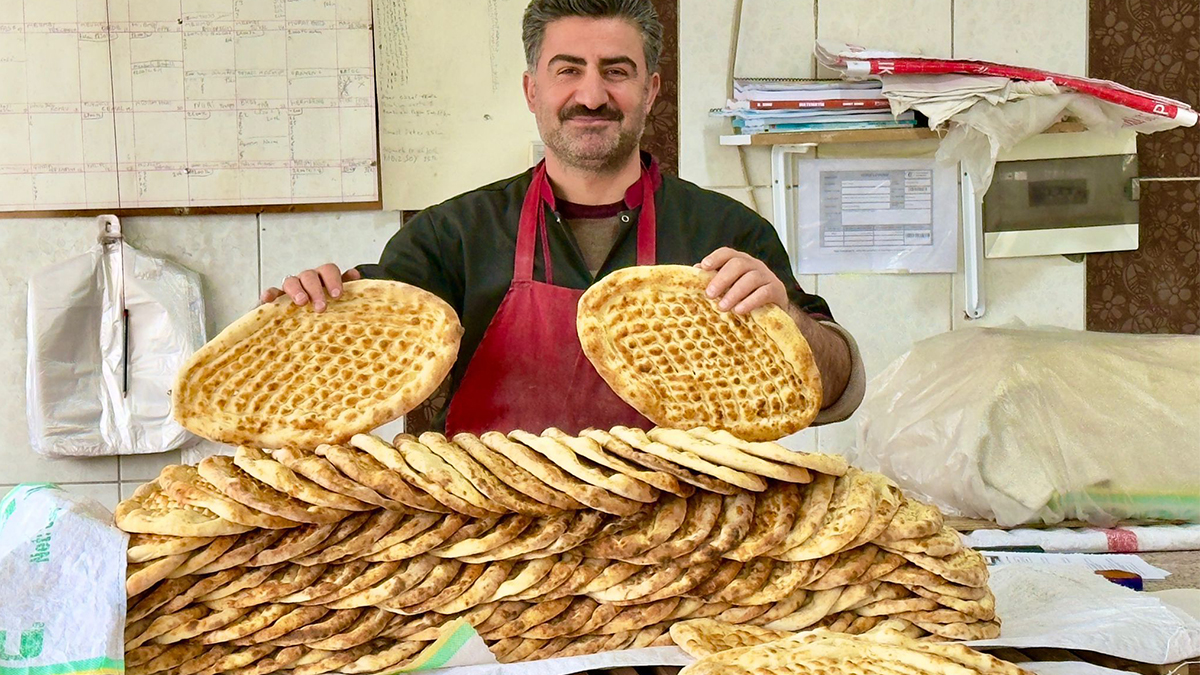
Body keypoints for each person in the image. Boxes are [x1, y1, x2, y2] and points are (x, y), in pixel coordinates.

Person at [262, 0, 864, 436]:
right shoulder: (450, 236)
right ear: (532, 90)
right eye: (568, 69)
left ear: (652, 91)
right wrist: (308, 316)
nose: (593, 94)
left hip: (676, 550)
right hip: (486, 555)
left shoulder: (727, 231)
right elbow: (355, 374)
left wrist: (787, 318)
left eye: (617, 71)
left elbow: (834, 390)